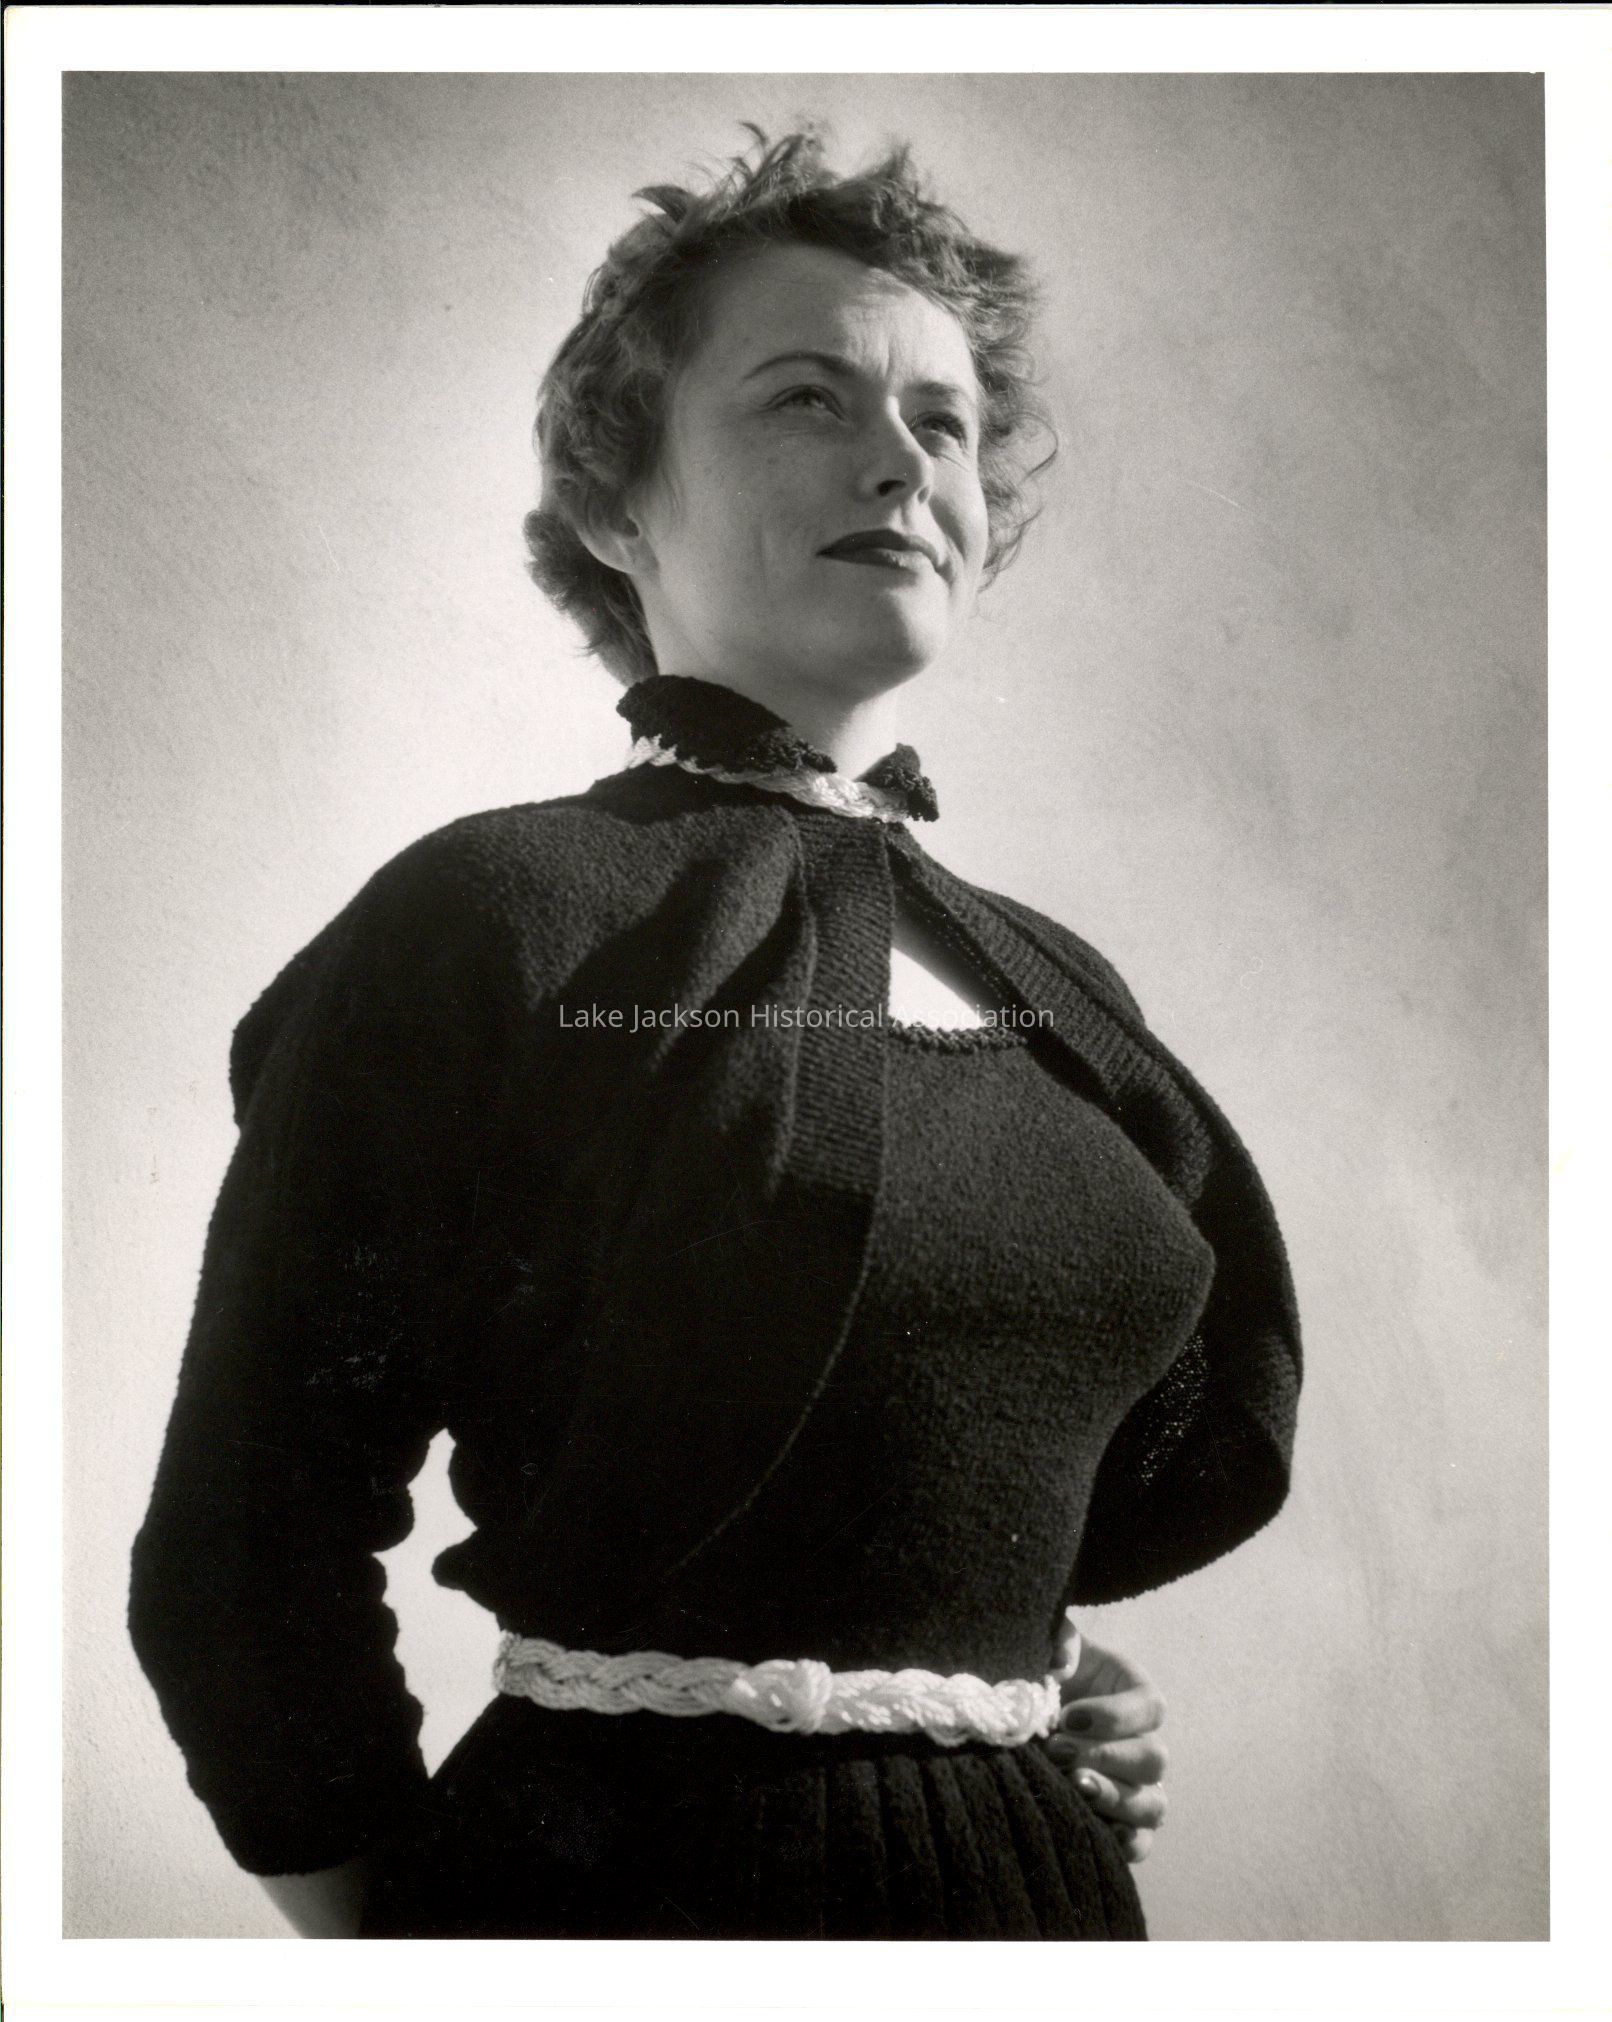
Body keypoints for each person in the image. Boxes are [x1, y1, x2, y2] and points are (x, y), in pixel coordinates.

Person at [129, 127, 1301, 1942]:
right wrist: (399, 1948)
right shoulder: (492, 915)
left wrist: (1006, 1672)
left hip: (1040, 1906)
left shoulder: (1063, 990)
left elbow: (969, 1454)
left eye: (943, 423)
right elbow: (239, 1550)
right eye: (805, 397)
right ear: (617, 505)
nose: (899, 460)